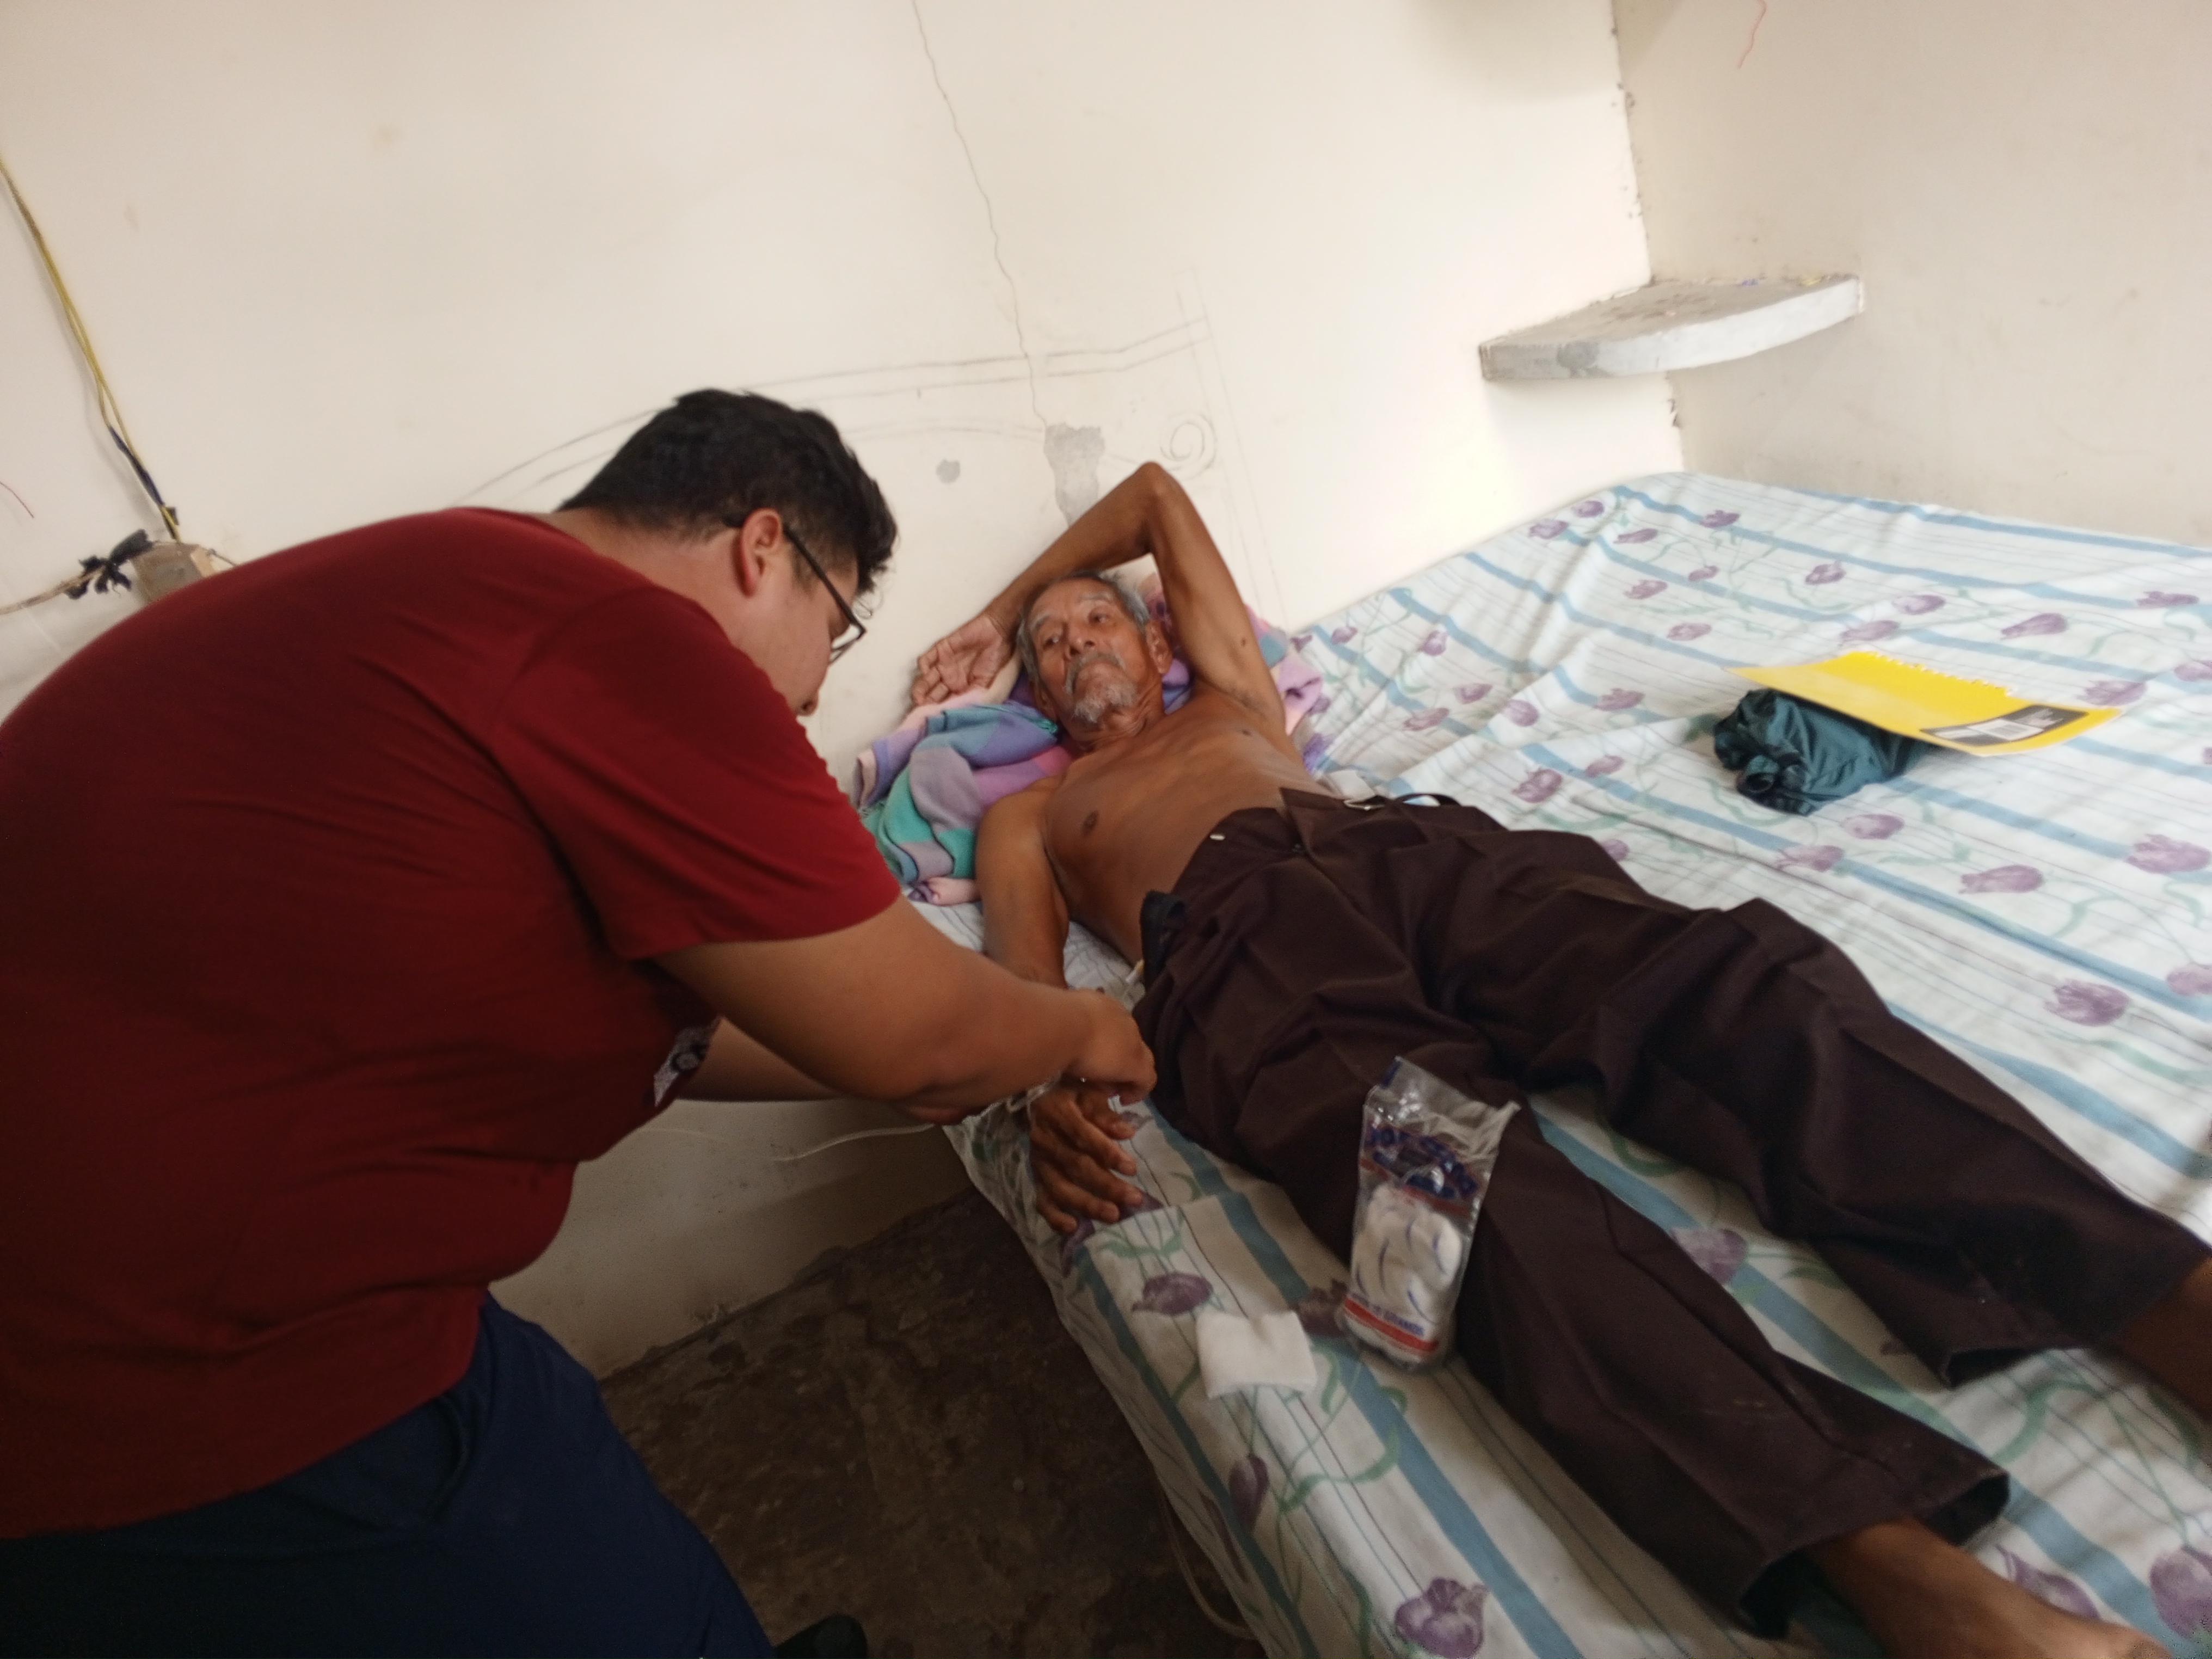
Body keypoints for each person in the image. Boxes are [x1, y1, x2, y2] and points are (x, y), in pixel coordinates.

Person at [914, 460, 2211, 1659]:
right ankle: (1900, 1572)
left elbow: (1153, 493)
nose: (1074, 646)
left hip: (1410, 854)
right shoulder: (1036, 814)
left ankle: (2162, 1299)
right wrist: (1045, 1093)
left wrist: (1000, 604)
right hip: (1237, 952)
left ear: (1156, 643)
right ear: (1037, 700)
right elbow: (1026, 988)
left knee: (1742, 992)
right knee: (1449, 1204)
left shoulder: (1233, 700)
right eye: (1048, 646)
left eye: (1095, 621)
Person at [0, 390, 1152, 1659]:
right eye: (834, 630)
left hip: (146, 1311)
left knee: (557, 1432)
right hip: (180, 1370)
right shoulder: (618, 638)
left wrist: (896, 1054)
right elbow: (921, 1035)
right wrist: (1075, 1030)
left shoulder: (451, 592)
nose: (814, 699)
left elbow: (704, 1031)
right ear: (762, 548)